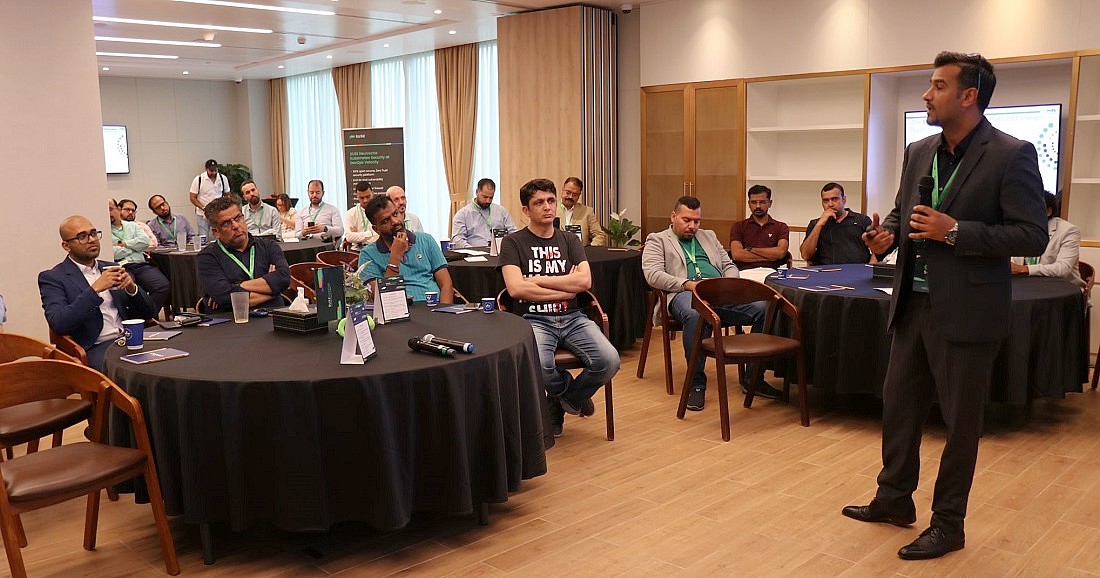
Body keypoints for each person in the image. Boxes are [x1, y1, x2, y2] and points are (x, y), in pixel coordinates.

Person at [845, 52, 1047, 561]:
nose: (926, 95)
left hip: (969, 315)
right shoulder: (919, 150)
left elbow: (1032, 234)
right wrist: (883, 236)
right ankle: (894, 500)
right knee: (900, 407)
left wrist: (955, 231)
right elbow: (901, 211)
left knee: (960, 424)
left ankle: (948, 524)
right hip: (912, 305)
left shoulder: (1011, 153)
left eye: (937, 86)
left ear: (968, 96)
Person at [499, 178, 620, 438]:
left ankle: (561, 401)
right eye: (539, 203)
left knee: (609, 361)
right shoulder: (513, 242)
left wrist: (539, 280)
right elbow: (516, 290)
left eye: (551, 201)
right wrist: (567, 287)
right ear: (525, 210)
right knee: (540, 366)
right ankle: (567, 392)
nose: (547, 207)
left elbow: (585, 281)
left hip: (573, 316)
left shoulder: (570, 240)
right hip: (533, 318)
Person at [642, 196, 772, 412]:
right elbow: (653, 275)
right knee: (696, 314)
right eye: (687, 220)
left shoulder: (709, 236)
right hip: (683, 293)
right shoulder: (658, 240)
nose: (693, 226)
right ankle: (696, 383)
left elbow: (729, 264)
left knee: (765, 308)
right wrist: (687, 284)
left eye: (697, 221)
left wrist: (730, 284)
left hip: (719, 293)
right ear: (673, 217)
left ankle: (753, 379)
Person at [39, 216, 156, 370]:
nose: (92, 239)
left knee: (169, 363)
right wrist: (95, 290)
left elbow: (149, 312)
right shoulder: (53, 278)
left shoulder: (112, 268)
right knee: (132, 372)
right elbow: (59, 322)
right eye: (82, 237)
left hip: (130, 339)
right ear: (66, 246)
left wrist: (132, 289)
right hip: (95, 347)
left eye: (94, 234)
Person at [197, 196, 291, 310]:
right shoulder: (207, 257)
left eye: (238, 218)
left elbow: (283, 279)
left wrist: (236, 286)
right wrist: (272, 291)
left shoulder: (269, 246)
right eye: (226, 223)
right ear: (215, 232)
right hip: (231, 322)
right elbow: (224, 296)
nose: (236, 226)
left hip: (273, 317)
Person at [358, 195, 453, 303]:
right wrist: (395, 257)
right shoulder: (368, 255)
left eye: (395, 214)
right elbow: (381, 299)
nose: (395, 221)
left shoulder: (426, 240)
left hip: (433, 308)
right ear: (376, 229)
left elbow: (446, 284)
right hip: (397, 313)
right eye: (385, 221)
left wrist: (444, 312)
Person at [1010, 192, 1084, 288]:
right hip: (1027, 286)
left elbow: (1062, 269)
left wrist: (1025, 269)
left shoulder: (1069, 231)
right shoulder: (1020, 228)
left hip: (1062, 289)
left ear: (1048, 212)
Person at [110, 199, 170, 313]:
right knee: (125, 289)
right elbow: (113, 252)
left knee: (162, 286)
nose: (131, 212)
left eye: (110, 210)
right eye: (127, 209)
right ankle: (142, 317)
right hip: (121, 266)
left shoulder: (134, 226)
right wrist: (134, 248)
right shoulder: (104, 230)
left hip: (140, 264)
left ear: (117, 210)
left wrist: (125, 244)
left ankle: (148, 316)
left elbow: (145, 242)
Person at [800, 182, 872, 265]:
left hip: (857, 271)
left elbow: (877, 250)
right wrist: (819, 224)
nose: (830, 204)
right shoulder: (815, 224)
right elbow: (805, 255)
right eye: (826, 201)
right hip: (825, 273)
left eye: (835, 199)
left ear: (844, 200)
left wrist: (871, 266)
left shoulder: (862, 220)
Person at [728, 184, 790, 270]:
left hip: (771, 273)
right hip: (745, 273)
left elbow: (781, 252)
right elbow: (737, 255)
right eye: (754, 202)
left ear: (770, 203)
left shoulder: (781, 227)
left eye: (762, 202)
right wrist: (771, 256)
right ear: (749, 204)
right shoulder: (738, 227)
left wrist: (751, 249)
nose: (758, 206)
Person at [450, 178, 516, 248]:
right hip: (474, 255)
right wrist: (473, 250)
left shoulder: (501, 211)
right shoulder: (463, 214)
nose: (488, 201)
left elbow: (513, 233)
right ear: (477, 192)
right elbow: (457, 239)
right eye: (485, 197)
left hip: (499, 253)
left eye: (491, 198)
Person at [558, 177, 606, 246]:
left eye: (575, 195)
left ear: (579, 195)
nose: (570, 197)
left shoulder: (587, 211)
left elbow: (599, 235)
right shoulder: (551, 209)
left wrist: (588, 250)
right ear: (562, 190)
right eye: (568, 193)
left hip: (581, 253)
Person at [189, 158, 231, 238]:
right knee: (203, 237)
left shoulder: (222, 178)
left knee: (219, 236)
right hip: (203, 214)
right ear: (206, 169)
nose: (213, 172)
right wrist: (204, 208)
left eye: (215, 170)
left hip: (218, 213)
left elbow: (227, 194)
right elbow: (192, 198)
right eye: (211, 171)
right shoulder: (199, 179)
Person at [343, 181, 378, 251]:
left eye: (368, 196)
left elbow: (381, 237)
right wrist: (371, 233)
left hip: (376, 249)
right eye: (361, 198)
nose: (365, 200)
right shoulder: (351, 213)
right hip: (356, 250)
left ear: (373, 193)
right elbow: (349, 237)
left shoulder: (380, 211)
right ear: (356, 196)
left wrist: (357, 235)